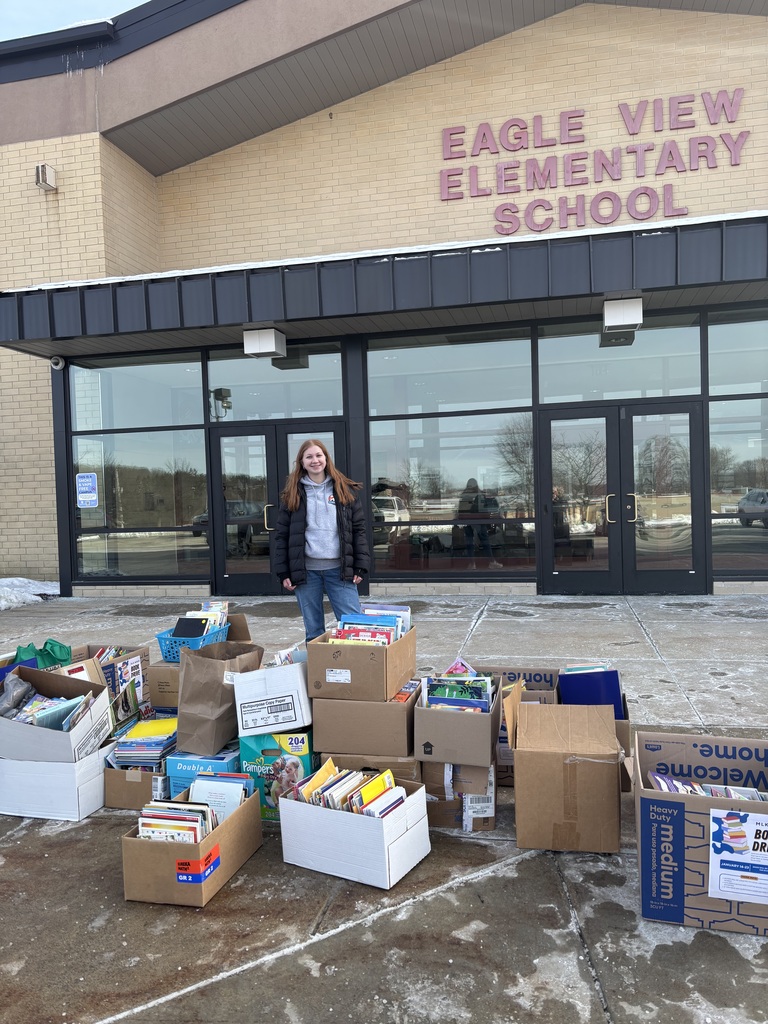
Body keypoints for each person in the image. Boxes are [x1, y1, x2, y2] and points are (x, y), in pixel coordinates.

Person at [273, 439, 371, 643]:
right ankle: (320, 674)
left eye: (319, 455)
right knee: (314, 630)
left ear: (326, 458)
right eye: (309, 456)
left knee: (353, 627)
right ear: (301, 461)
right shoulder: (292, 494)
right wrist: (284, 572)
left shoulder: (345, 490)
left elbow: (358, 530)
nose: (315, 460)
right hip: (306, 572)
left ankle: (357, 671)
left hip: (340, 570)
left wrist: (360, 565)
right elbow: (282, 536)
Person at [457, 477, 503, 569]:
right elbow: (483, 508)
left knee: (469, 542)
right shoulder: (479, 494)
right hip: (478, 521)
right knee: (485, 541)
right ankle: (491, 561)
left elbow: (461, 510)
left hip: (467, 521)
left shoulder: (464, 495)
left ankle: (472, 563)